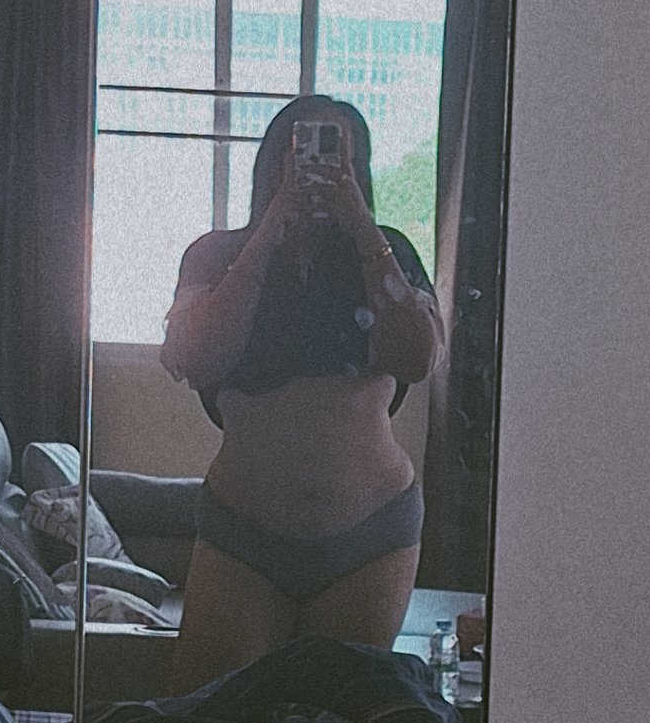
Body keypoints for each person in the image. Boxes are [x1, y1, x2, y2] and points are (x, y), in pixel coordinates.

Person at [160, 95, 445, 692]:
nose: (322, 170)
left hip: (371, 536)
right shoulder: (217, 254)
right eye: (304, 154)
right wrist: (270, 232)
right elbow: (199, 358)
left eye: (340, 158)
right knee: (216, 717)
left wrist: (362, 227)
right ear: (274, 162)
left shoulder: (386, 251)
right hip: (243, 535)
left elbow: (418, 358)